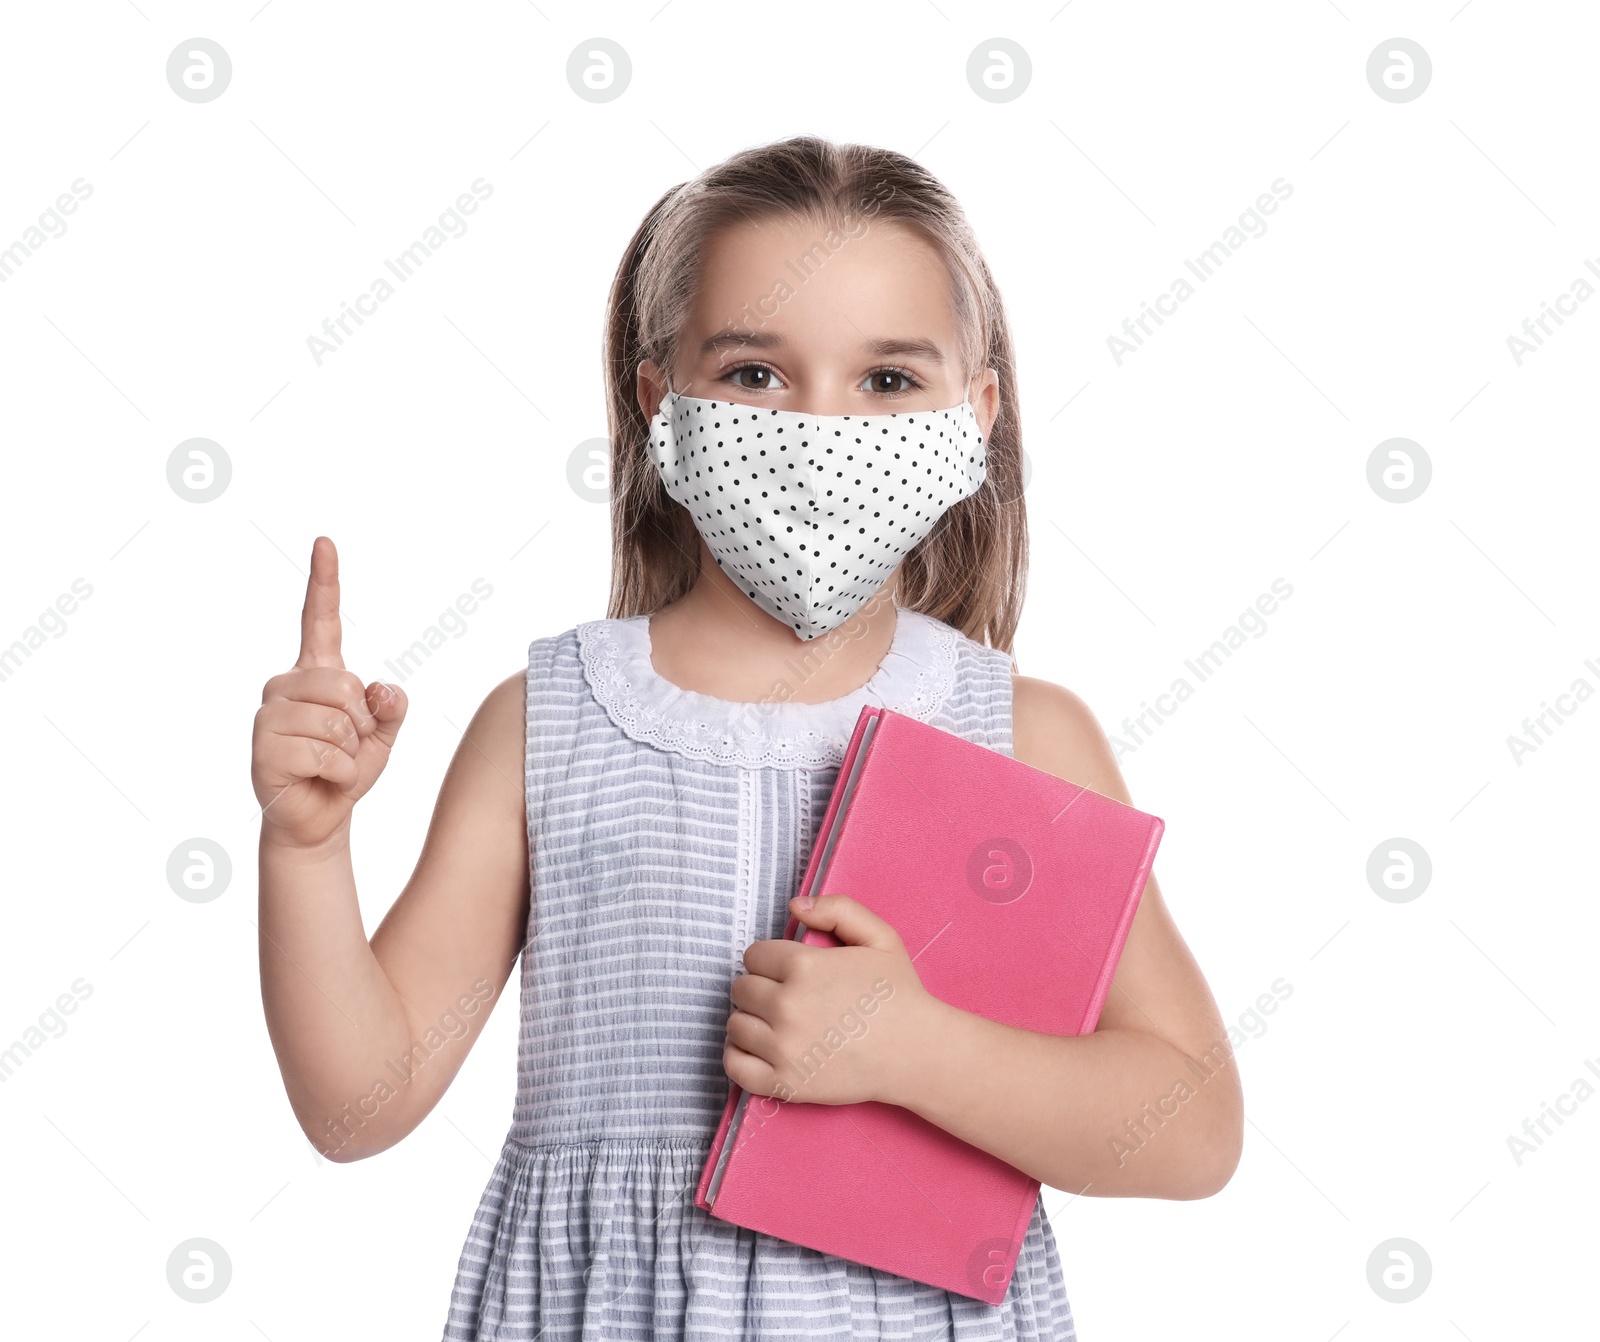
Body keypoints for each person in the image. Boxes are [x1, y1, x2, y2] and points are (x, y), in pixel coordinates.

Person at [252, 134, 1243, 1342]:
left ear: (973, 414)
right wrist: (307, 849)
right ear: (659, 400)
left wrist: (913, 1049)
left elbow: (1189, 1124)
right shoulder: (549, 721)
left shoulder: (1023, 737)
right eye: (757, 375)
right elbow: (360, 1105)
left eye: (887, 381)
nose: (821, 427)